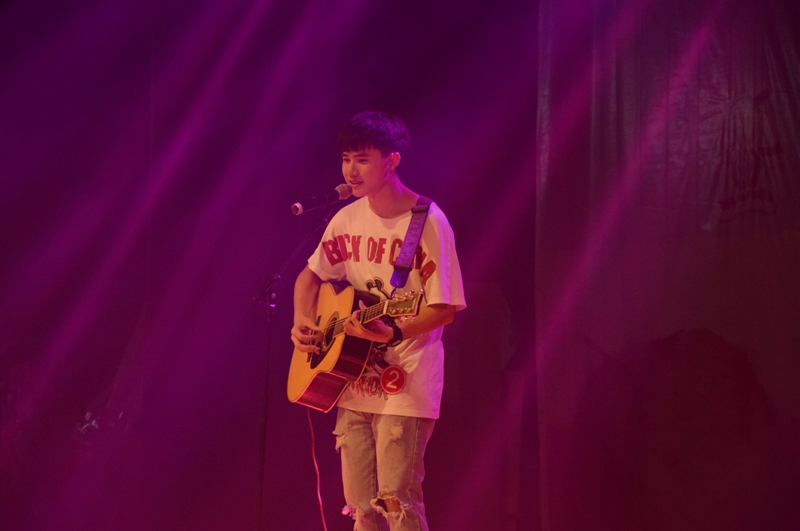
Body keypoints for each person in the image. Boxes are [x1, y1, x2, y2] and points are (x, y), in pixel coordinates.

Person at [290, 111, 466, 531]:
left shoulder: (427, 222)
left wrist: (396, 331)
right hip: (351, 382)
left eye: (363, 159)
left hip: (406, 381)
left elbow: (444, 307)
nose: (351, 171)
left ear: (392, 161)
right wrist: (302, 318)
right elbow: (310, 276)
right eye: (346, 159)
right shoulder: (346, 218)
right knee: (362, 509)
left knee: (398, 503)